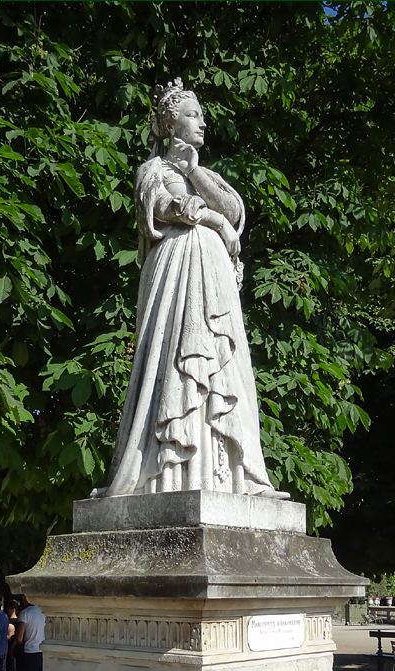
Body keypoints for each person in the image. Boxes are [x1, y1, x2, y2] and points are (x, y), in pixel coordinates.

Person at [99, 78, 288, 500]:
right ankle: (166, 473)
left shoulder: (203, 172)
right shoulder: (152, 170)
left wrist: (194, 173)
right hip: (176, 270)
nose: (202, 122)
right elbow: (164, 207)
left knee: (222, 366)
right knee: (174, 363)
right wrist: (213, 222)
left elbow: (234, 209)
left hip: (213, 276)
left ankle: (233, 475)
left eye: (201, 115)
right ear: (171, 124)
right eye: (192, 114)